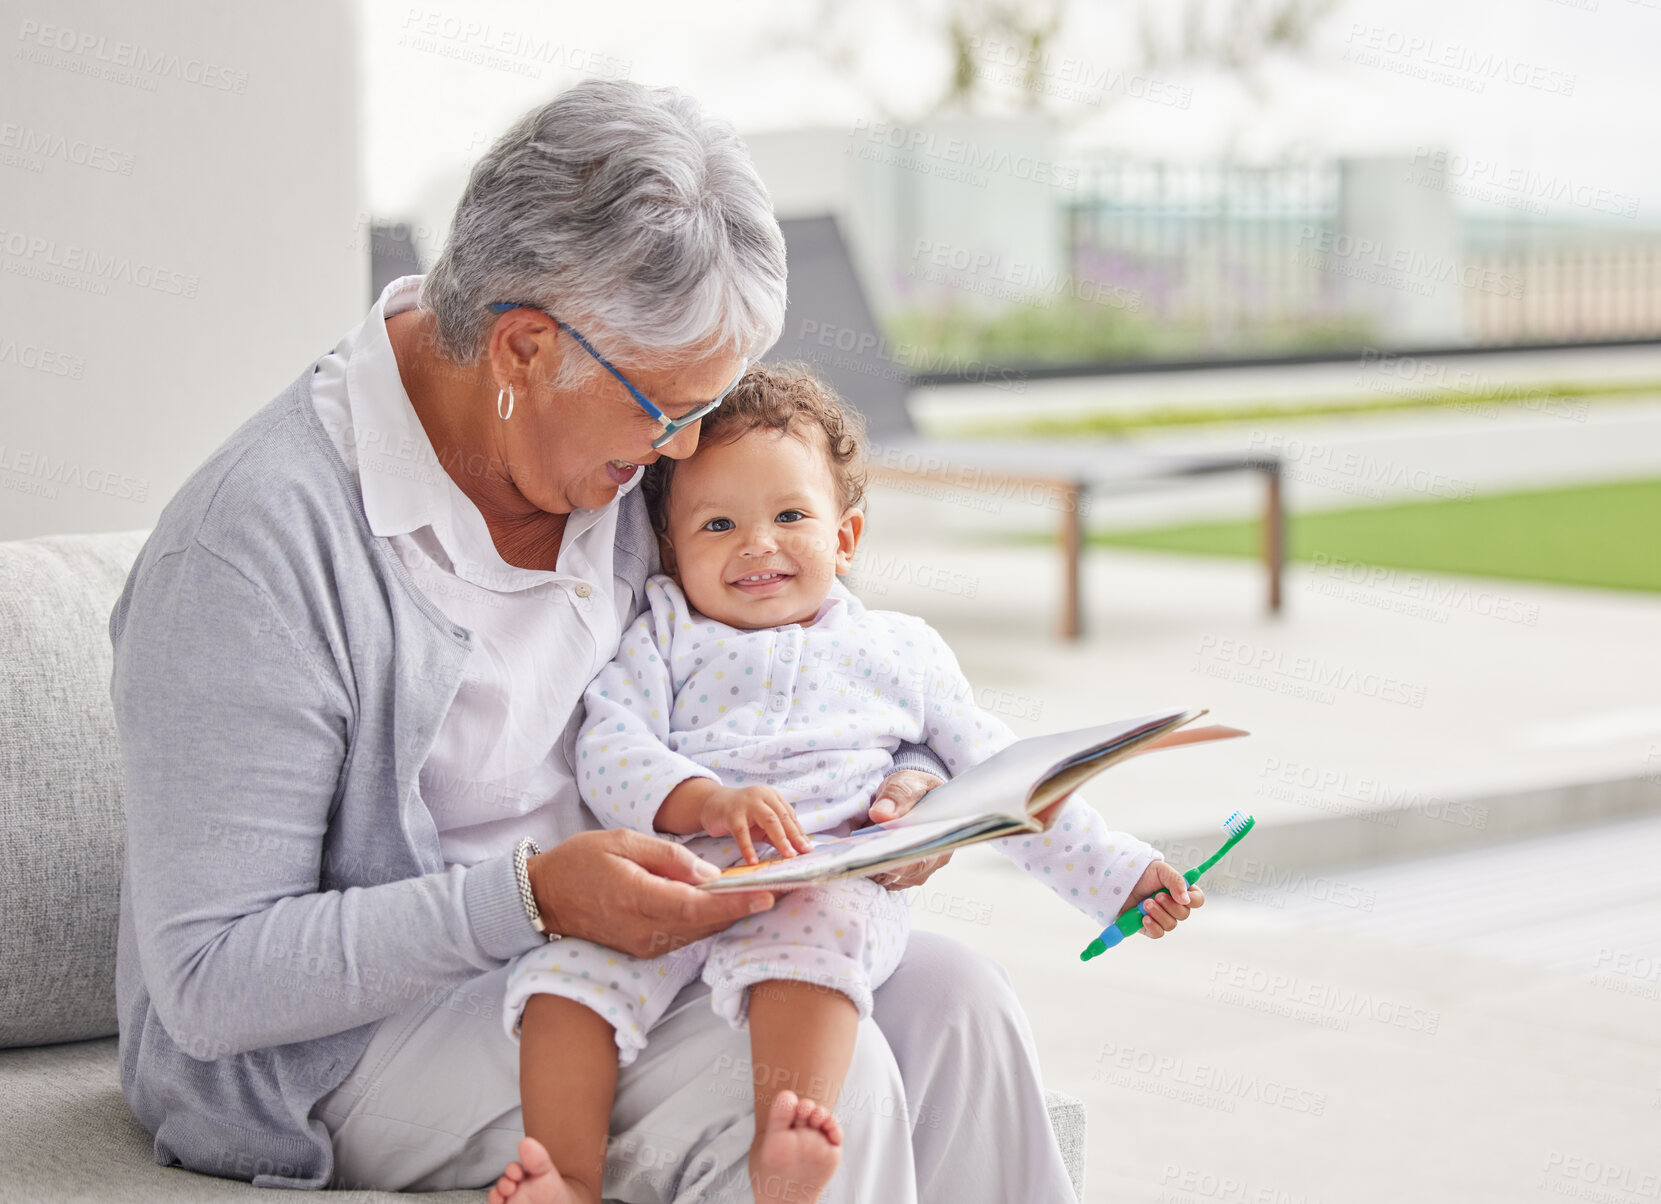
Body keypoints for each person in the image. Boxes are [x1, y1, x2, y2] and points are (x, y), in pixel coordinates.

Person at [105, 78, 1139, 1202]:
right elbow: (208, 980)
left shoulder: (613, 475)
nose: (685, 447)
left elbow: (789, 668)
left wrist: (909, 791)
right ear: (521, 348)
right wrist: (534, 897)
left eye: (710, 402)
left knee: (959, 1007)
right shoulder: (252, 550)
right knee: (814, 1102)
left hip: (639, 940)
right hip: (352, 1037)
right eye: (661, 406)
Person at [485, 364, 1204, 1204]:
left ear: (847, 536)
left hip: (822, 874)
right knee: (568, 977)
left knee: (809, 948)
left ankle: (786, 1151)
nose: (758, 544)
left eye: (791, 515)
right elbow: (611, 750)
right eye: (718, 524)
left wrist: (1120, 878)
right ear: (673, 551)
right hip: (676, 879)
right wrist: (703, 801)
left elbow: (1007, 775)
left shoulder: (900, 650)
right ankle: (565, 1175)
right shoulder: (661, 638)